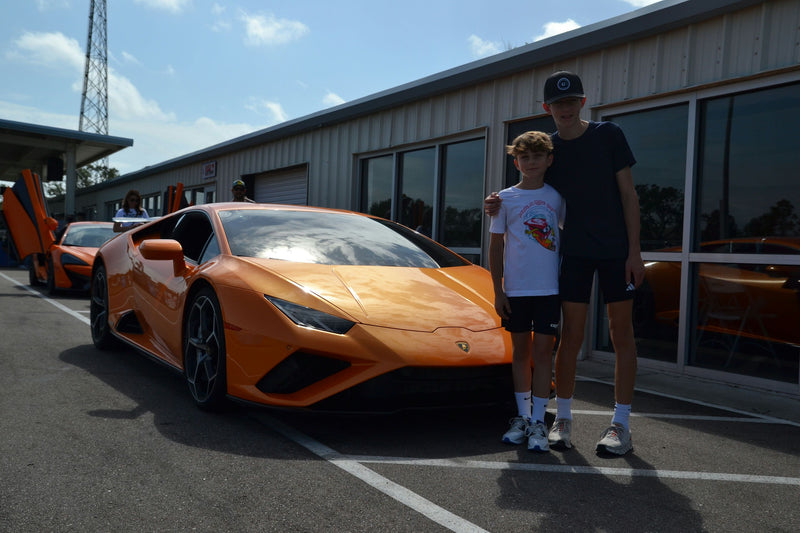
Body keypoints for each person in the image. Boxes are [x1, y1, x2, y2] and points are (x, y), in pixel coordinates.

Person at [485, 71, 645, 455]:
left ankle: (619, 425)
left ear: (583, 102)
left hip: (615, 251)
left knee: (621, 334)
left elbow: (629, 195)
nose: (566, 109)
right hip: (573, 253)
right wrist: (495, 203)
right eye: (558, 104)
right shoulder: (547, 149)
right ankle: (564, 419)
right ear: (547, 108)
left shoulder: (609, 135)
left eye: (572, 101)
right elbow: (528, 188)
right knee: (569, 337)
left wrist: (635, 251)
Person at [492, 131, 565, 452]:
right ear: (516, 161)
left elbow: (566, 238)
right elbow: (495, 247)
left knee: (542, 355)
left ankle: (539, 420)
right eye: (525, 157)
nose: (531, 163)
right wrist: (499, 290)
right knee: (520, 353)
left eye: (538, 156)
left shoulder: (557, 198)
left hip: (549, 289)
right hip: (517, 291)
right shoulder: (504, 199)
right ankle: (522, 418)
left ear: (549, 160)